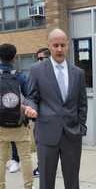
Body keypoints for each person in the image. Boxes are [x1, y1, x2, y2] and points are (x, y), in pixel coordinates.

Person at [24, 28, 88, 189]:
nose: (59, 49)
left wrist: (81, 127)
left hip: (72, 135)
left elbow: (82, 104)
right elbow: (31, 96)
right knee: (46, 180)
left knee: (72, 180)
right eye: (55, 45)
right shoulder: (36, 70)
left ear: (67, 45)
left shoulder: (78, 73)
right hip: (46, 134)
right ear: (49, 46)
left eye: (62, 45)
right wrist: (31, 108)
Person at [0, 43, 34, 189]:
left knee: (1, 159)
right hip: (20, 123)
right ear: (14, 57)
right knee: (25, 157)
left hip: (1, 124)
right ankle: (28, 186)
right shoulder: (21, 76)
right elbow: (30, 96)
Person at [32, 47, 50, 178]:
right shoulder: (35, 74)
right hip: (40, 119)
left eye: (41, 58)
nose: (39, 61)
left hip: (56, 121)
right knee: (40, 145)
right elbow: (31, 95)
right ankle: (41, 166)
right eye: (37, 59)